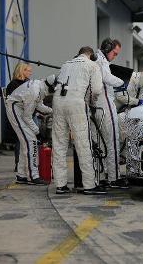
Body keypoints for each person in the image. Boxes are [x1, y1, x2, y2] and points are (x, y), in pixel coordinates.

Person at [52, 47, 105, 195]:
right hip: (76, 103)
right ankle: (89, 185)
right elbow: (96, 90)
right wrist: (92, 103)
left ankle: (60, 185)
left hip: (58, 102)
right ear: (91, 55)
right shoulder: (93, 65)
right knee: (83, 144)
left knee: (59, 145)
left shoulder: (66, 64)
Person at [5, 75, 56, 185]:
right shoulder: (35, 91)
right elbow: (27, 117)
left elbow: (39, 106)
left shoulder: (39, 86)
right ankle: (33, 176)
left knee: (26, 142)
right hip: (15, 108)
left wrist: (53, 111)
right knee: (31, 141)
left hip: (18, 107)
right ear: (51, 88)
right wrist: (38, 132)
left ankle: (21, 175)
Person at [94, 38, 129, 189]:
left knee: (101, 142)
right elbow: (107, 78)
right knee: (112, 140)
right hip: (105, 103)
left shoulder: (96, 59)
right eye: (114, 53)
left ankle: (105, 174)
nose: (115, 56)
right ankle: (114, 178)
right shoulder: (101, 62)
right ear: (108, 49)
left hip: (97, 105)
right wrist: (123, 82)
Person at [6, 63, 33, 172]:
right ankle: (19, 163)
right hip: (19, 115)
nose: (30, 72)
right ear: (22, 71)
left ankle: (29, 163)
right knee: (20, 139)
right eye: (28, 70)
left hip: (29, 113)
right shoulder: (14, 84)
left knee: (30, 139)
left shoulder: (28, 82)